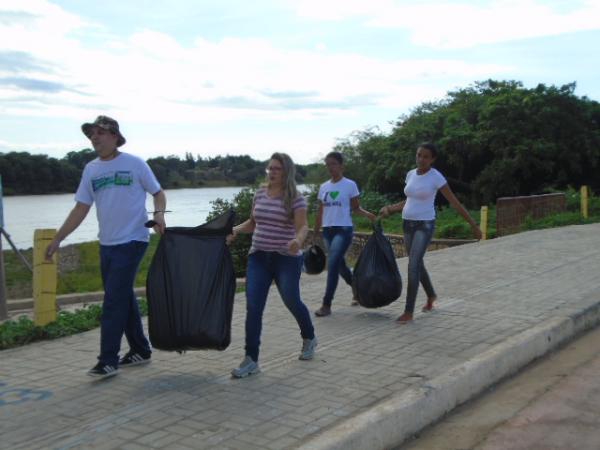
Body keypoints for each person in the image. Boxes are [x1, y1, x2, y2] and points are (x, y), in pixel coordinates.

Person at [45, 115, 167, 378]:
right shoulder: (91, 169)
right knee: (122, 296)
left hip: (133, 239)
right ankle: (140, 350)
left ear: (114, 136)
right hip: (107, 244)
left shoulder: (134, 164)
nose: (94, 138)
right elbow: (81, 208)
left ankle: (108, 360)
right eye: (91, 134)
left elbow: (158, 192)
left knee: (113, 300)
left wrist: (159, 214)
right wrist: (58, 238)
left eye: (100, 132)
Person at [227, 152, 317, 378]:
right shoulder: (260, 193)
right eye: (270, 168)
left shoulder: (296, 197)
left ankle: (309, 337)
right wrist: (236, 230)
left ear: (286, 171)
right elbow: (253, 222)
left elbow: (303, 226)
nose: (272, 172)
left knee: (292, 300)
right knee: (254, 308)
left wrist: (297, 240)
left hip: (286, 258)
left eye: (276, 168)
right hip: (258, 257)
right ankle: (251, 360)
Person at [380, 142, 482, 324]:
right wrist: (390, 209)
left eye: (426, 156)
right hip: (407, 224)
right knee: (417, 264)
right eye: (419, 155)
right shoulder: (411, 174)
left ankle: (408, 312)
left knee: (413, 265)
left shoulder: (436, 177)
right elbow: (409, 200)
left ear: (432, 159)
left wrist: (473, 225)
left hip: (425, 225)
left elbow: (454, 202)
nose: (421, 159)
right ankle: (431, 296)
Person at [313, 152, 376, 317]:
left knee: (332, 263)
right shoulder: (324, 187)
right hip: (327, 231)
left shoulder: (350, 185)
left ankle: (326, 304)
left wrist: (368, 215)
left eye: (333, 164)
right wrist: (316, 231)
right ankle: (357, 290)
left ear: (341, 165)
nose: (330, 167)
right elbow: (320, 210)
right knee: (340, 266)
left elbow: (356, 208)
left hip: (344, 229)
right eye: (327, 164)